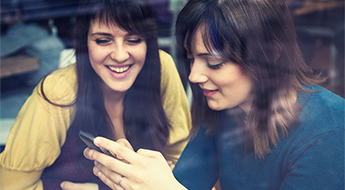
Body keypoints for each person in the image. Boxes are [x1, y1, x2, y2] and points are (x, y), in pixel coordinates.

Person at [82, 0, 345, 189]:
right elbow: (185, 183)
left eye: (214, 63)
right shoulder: (225, 111)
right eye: (191, 58)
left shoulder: (329, 133)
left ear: (271, 55)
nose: (194, 76)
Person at [0, 0, 191, 189]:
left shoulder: (162, 68)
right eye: (103, 40)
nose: (120, 55)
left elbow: (181, 161)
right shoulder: (58, 92)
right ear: (84, 42)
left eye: (133, 40)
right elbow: (12, 186)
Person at [0, 2, 65, 86]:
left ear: (18, 13)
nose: (3, 20)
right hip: (44, 82)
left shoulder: (28, 30)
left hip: (36, 87)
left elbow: (2, 48)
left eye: (4, 15)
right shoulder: (41, 28)